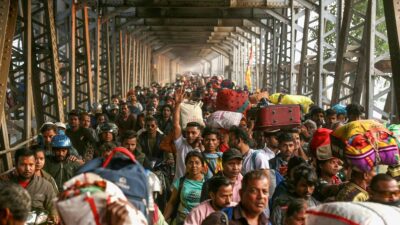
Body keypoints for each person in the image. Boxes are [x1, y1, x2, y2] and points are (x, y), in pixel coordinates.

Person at [1, 148, 58, 223]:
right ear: (16, 164)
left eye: (31, 165)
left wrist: (54, 216)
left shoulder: (46, 186)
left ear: (35, 165)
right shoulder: (6, 185)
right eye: (23, 165)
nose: (27, 169)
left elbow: (53, 208)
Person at [164, 151, 206, 225]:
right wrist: (163, 220)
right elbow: (172, 202)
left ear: (202, 166)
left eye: (197, 163)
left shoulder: (207, 183)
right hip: (181, 220)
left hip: (200, 220)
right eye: (190, 162)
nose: (194, 166)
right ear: (186, 165)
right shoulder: (180, 182)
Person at [172, 88, 203, 181]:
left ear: (199, 134)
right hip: (178, 187)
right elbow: (176, 125)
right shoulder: (181, 144)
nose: (190, 135)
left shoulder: (203, 149)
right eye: (188, 132)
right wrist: (177, 104)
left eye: (193, 133)